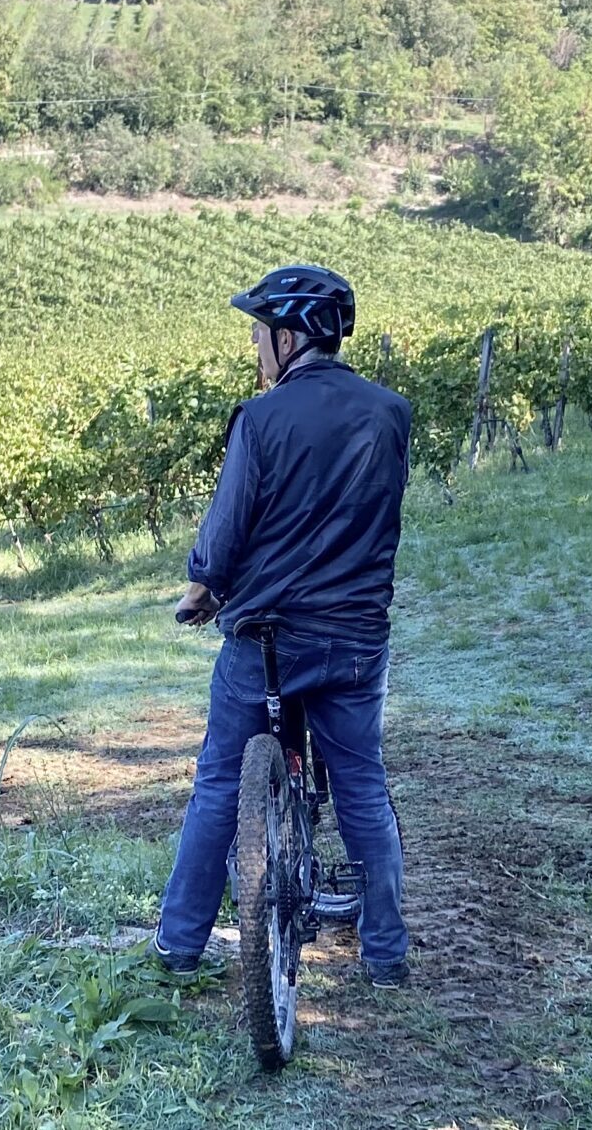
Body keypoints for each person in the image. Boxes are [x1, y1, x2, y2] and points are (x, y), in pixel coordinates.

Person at [154, 264, 415, 987]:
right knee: (362, 782)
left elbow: (227, 528)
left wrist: (202, 589)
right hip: (357, 636)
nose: (254, 347)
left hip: (268, 638)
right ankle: (387, 953)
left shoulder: (260, 419)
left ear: (291, 336)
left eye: (258, 333)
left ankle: (178, 946)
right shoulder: (391, 413)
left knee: (217, 784)